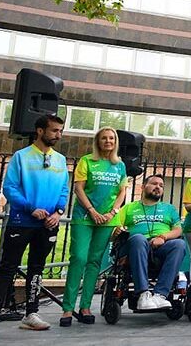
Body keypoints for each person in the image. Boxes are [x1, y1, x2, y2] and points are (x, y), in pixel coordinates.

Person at [0, 115, 69, 338]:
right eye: (54, 131)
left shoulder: (60, 160)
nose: (58, 135)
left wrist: (58, 212)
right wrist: (30, 208)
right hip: (22, 221)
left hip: (48, 225)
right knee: (8, 268)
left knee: (37, 269)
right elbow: (10, 188)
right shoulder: (21, 157)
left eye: (60, 131)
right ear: (39, 131)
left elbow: (64, 190)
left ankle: (31, 313)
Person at [61, 127, 127, 327]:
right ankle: (67, 308)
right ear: (97, 141)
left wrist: (112, 213)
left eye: (111, 138)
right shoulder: (87, 161)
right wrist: (91, 210)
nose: (108, 141)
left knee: (94, 262)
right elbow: (78, 187)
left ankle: (86, 306)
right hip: (85, 217)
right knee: (79, 258)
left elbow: (122, 192)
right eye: (104, 138)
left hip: (107, 220)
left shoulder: (120, 165)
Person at [117, 174, 187, 311]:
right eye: (154, 184)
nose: (158, 187)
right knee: (138, 238)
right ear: (143, 187)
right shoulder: (128, 208)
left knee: (179, 244)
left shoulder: (169, 209)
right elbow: (116, 228)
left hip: (162, 246)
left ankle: (160, 295)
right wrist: (117, 230)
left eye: (161, 186)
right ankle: (143, 294)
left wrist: (163, 237)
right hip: (137, 246)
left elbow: (178, 230)